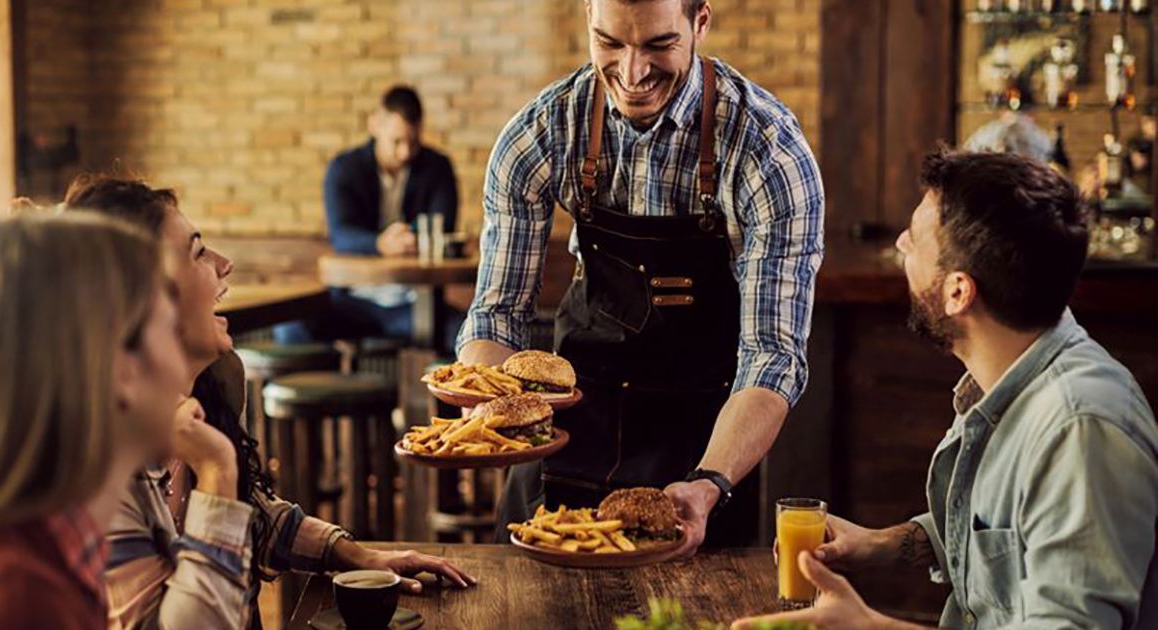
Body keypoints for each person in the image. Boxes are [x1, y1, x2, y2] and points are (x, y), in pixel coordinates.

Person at [735, 149, 1158, 629]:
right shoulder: (1007, 376)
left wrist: (873, 627)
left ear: (958, 291)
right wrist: (877, 544)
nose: (900, 244)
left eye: (914, 240)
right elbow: (1001, 530)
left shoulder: (1081, 432)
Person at [460, 0, 824, 553]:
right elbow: (497, 315)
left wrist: (711, 483)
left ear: (700, 22)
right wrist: (498, 413)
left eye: (658, 45)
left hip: (703, 447)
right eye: (610, 43)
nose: (632, 73)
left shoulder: (767, 151)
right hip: (566, 434)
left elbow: (772, 356)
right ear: (587, 16)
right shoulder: (541, 133)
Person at [63, 176, 475, 630]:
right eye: (199, 251)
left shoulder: (213, 386)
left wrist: (358, 555)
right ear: (142, 297)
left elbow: (252, 513)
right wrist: (218, 470)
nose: (225, 264)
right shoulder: (97, 466)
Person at [0, 214, 187, 629]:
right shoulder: (15, 602)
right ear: (121, 368)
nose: (183, 364)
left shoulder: (49, 559)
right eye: (172, 330)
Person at [274, 85, 464, 348]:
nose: (406, 152)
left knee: (469, 338)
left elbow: (442, 229)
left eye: (414, 142)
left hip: (416, 304)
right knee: (290, 329)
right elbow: (341, 235)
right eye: (397, 141)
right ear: (375, 125)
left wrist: (410, 240)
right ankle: (338, 387)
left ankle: (434, 390)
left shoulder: (437, 167)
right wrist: (381, 244)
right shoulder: (344, 168)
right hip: (352, 301)